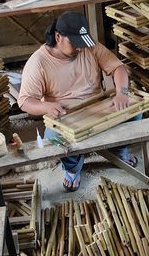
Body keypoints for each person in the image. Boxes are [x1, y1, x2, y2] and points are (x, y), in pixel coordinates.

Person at [18, 11, 138, 192]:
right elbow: (25, 101)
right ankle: (73, 169)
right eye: (75, 43)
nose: (81, 48)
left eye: (83, 43)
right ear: (58, 37)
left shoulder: (89, 47)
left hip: (98, 105)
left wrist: (122, 92)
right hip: (67, 114)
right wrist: (46, 106)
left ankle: (119, 152)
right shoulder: (38, 62)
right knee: (54, 139)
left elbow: (118, 68)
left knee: (134, 113)